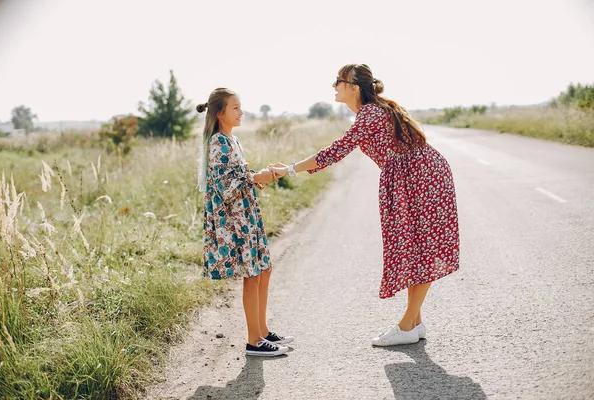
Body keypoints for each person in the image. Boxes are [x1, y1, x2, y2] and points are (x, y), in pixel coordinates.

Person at [269, 64, 460, 346]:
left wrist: (291, 170)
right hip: (415, 175)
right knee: (413, 247)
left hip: (419, 177)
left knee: (421, 248)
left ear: (354, 87)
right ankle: (415, 323)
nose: (334, 86)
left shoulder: (370, 113)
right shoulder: (371, 112)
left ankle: (406, 325)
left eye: (338, 81)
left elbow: (337, 150)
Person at [197, 88, 293, 356]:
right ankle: (254, 341)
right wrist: (257, 177)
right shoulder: (218, 142)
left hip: (247, 214)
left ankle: (262, 330)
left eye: (241, 107)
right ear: (219, 114)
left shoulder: (233, 140)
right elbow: (225, 185)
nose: (241, 112)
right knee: (252, 275)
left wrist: (259, 175)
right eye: (235, 108)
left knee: (264, 269)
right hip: (234, 220)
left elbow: (238, 175)